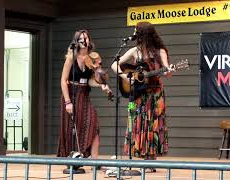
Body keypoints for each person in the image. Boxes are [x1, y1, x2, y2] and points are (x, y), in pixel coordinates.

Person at [111, 22, 174, 172]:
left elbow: (167, 72)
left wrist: (169, 71)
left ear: (143, 34)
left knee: (153, 124)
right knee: (136, 122)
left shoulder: (160, 52)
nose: (134, 33)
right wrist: (125, 77)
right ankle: (141, 158)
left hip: (155, 94)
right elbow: (114, 64)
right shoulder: (135, 51)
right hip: (137, 93)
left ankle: (150, 161)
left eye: (136, 31)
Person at [58, 30, 112, 160]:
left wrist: (102, 85)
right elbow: (63, 81)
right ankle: (71, 158)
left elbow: (90, 81)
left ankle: (95, 161)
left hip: (84, 94)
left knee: (93, 125)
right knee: (70, 127)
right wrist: (67, 102)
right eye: (80, 38)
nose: (83, 40)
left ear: (89, 41)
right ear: (76, 42)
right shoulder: (71, 57)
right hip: (71, 94)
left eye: (85, 38)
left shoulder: (92, 58)